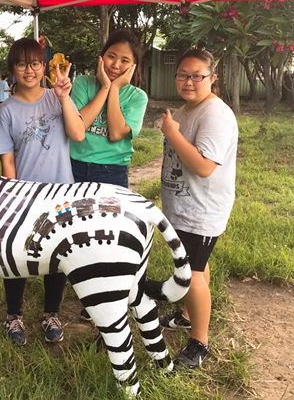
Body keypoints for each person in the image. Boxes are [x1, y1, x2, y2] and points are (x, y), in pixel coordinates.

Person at [0, 37, 85, 345]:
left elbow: (77, 134)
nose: (28, 70)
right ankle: (13, 315)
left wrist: (63, 97)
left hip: (61, 193)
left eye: (34, 63)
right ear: (12, 69)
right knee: (17, 255)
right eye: (22, 64)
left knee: (57, 254)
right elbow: (8, 161)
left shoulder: (57, 97)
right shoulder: (5, 111)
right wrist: (12, 198)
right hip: (25, 197)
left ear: (43, 67)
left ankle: (51, 313)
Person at [158, 48, 238, 369]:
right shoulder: (188, 109)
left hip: (201, 210)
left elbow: (204, 166)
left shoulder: (215, 114)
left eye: (197, 76)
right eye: (182, 75)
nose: (188, 82)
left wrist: (172, 133)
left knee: (190, 274)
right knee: (197, 267)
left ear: (212, 78)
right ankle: (187, 316)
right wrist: (172, 125)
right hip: (183, 207)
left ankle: (199, 342)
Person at [68, 30, 148, 322]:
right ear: (101, 56)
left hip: (111, 172)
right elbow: (78, 127)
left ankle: (109, 295)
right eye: (111, 56)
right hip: (75, 167)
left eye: (124, 60)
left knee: (109, 236)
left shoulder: (136, 96)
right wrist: (104, 87)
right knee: (77, 233)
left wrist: (114, 90)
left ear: (133, 66)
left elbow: (116, 133)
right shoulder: (83, 84)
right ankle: (86, 290)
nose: (115, 65)